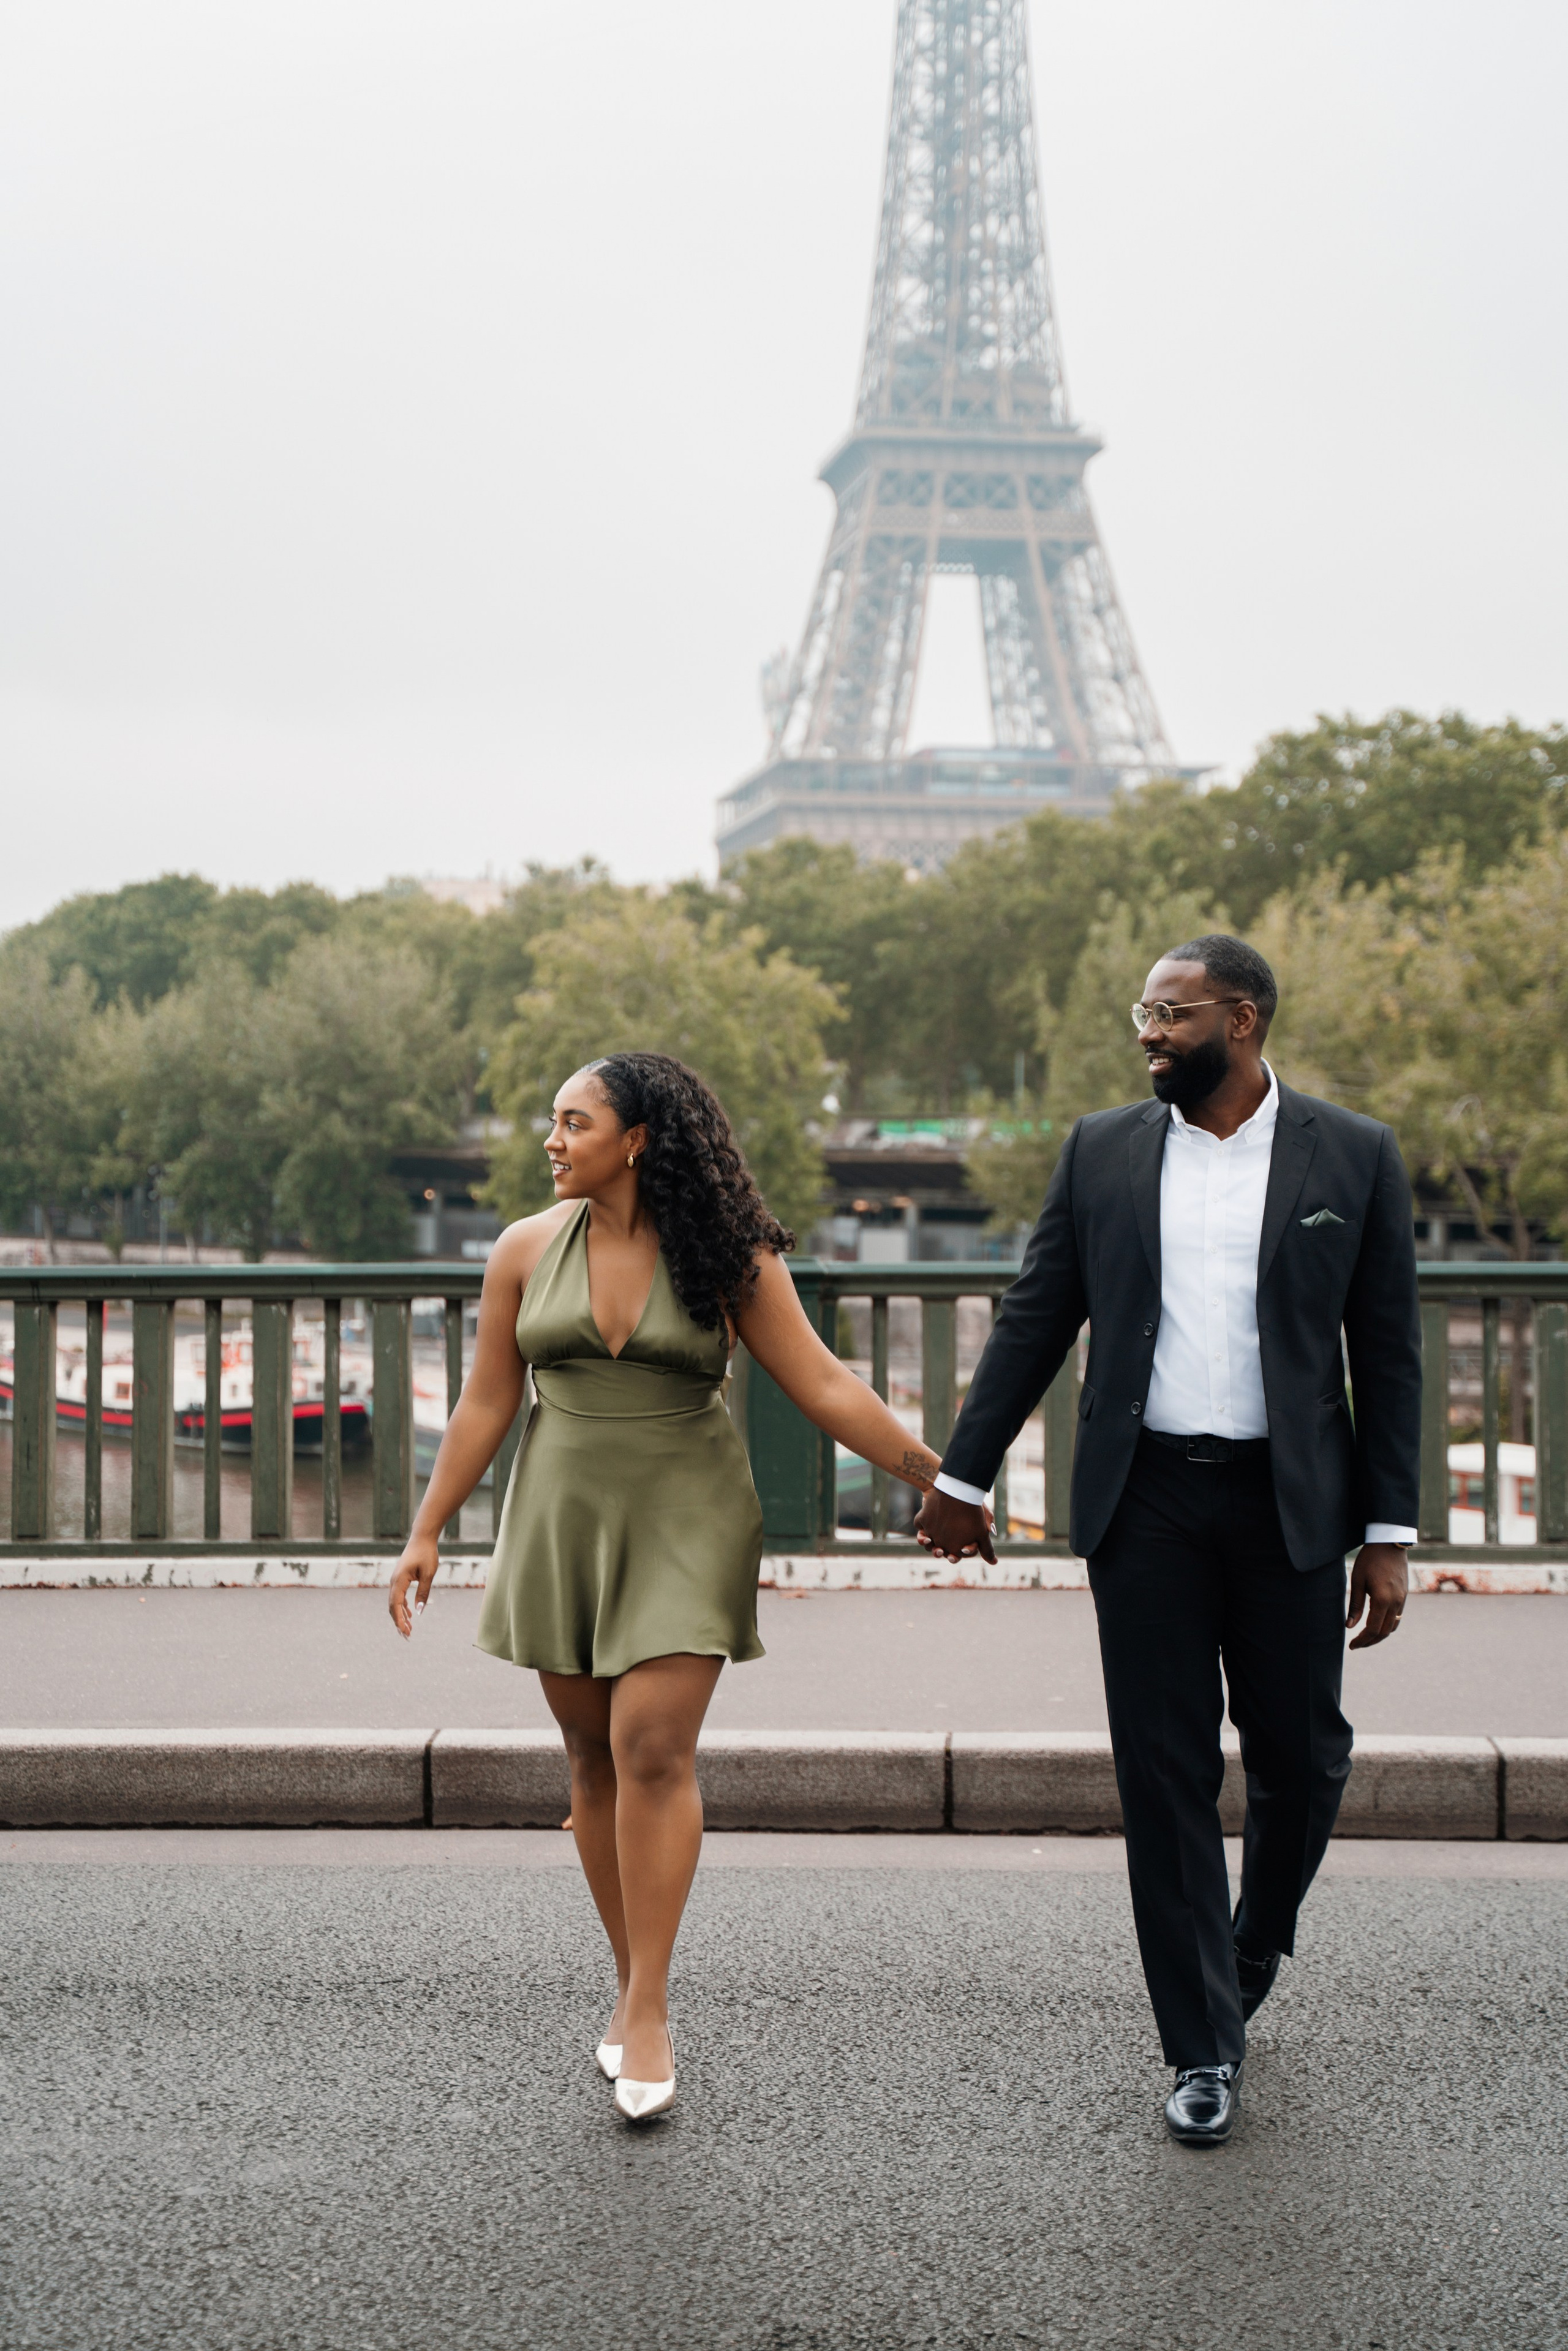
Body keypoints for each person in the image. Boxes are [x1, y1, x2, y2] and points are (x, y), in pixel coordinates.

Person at [914, 935, 1420, 2148]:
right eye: (1141, 1010)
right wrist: (961, 1473)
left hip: (1286, 1504)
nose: (1145, 1031)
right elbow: (1036, 1313)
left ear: (1238, 1020)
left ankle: (1250, 1940)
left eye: (1168, 1012)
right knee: (1162, 1770)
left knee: (1302, 1757)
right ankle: (1199, 2041)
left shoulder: (1350, 1153)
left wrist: (1386, 1532)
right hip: (1142, 1503)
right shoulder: (1099, 1148)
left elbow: (1387, 1351)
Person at [390, 1051, 943, 2125]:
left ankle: (648, 2008)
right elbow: (484, 1406)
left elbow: (824, 1380)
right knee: (591, 1757)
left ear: (636, 1137)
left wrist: (940, 1478)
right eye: (553, 1122)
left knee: (652, 1744)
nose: (552, 1140)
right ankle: (629, 1973)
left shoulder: (725, 1253)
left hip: (689, 1513)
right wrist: (427, 1532)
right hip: (560, 1515)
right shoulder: (520, 1250)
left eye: (573, 1121)